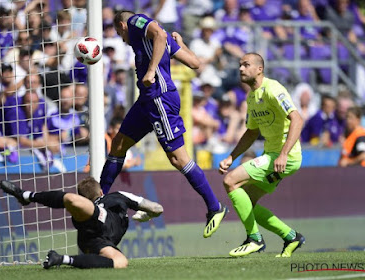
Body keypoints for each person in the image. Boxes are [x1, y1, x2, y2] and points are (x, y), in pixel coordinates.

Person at [103, 11, 228, 238]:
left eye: (120, 33)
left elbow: (159, 33)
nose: (123, 38)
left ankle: (214, 206)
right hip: (147, 100)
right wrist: (181, 44)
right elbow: (194, 62)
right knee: (118, 145)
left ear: (122, 25)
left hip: (159, 98)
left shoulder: (136, 22)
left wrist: (151, 70)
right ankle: (98, 201)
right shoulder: (155, 40)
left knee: (178, 158)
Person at [219, 53, 305, 257]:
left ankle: (254, 239)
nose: (240, 69)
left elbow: (297, 120)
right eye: (240, 65)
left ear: (259, 69)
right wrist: (232, 156)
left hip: (284, 156)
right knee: (247, 200)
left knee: (230, 181)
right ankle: (291, 237)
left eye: (246, 65)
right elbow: (251, 131)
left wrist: (283, 154)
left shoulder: (273, 89)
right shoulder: (251, 97)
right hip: (274, 155)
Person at [0, 177, 163, 269]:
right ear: (101, 192)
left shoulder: (114, 198)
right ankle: (26, 195)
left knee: (121, 262)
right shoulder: (118, 195)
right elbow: (157, 208)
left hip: (95, 240)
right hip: (99, 218)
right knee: (71, 200)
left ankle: (61, 259)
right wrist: (147, 215)